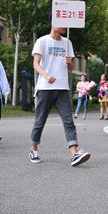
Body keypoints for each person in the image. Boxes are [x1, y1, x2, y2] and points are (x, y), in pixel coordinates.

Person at [29, 26, 91, 167]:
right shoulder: (42, 41)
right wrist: (46, 76)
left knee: (68, 121)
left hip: (63, 88)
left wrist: (69, 63)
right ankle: (33, 148)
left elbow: (70, 67)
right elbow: (35, 64)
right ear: (54, 23)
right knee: (40, 121)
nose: (65, 26)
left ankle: (74, 152)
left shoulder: (67, 42)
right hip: (45, 88)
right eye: (62, 23)